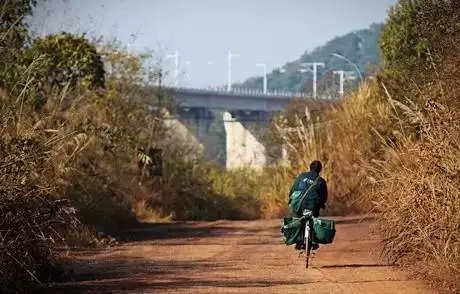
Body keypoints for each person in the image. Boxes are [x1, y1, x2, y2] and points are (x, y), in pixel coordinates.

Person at [288, 160, 328, 250]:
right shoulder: (321, 181)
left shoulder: (301, 177)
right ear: (320, 169)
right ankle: (314, 241)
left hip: (299, 204)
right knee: (314, 218)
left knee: (299, 218)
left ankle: (298, 241)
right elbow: (324, 196)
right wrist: (322, 204)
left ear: (310, 167)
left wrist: (290, 200)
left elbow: (293, 189)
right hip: (313, 205)